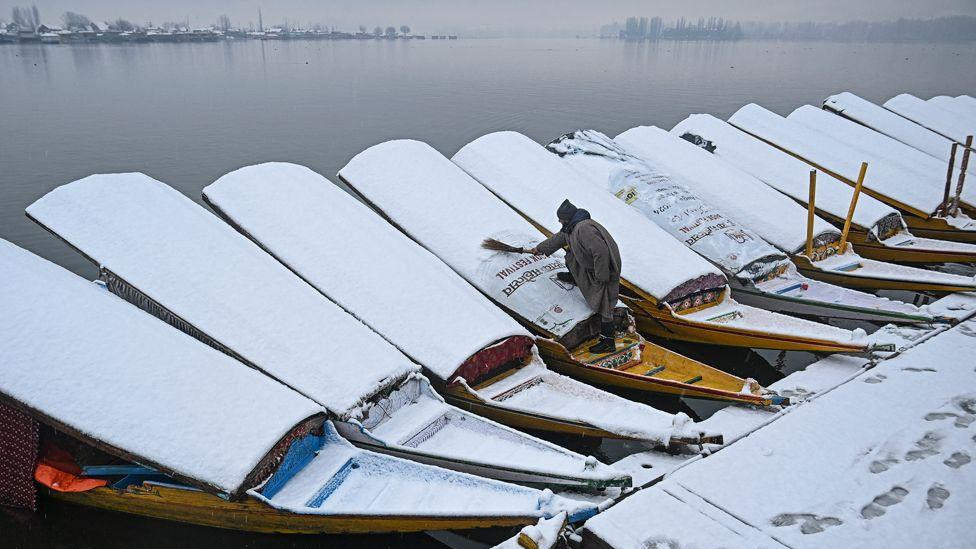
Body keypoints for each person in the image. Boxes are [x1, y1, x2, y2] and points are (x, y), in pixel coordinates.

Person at [531, 199, 621, 354]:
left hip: (605, 270)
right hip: (594, 267)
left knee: (604, 304)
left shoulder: (583, 228)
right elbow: (559, 239)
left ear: (567, 217)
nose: (558, 221)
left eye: (560, 218)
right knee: (571, 256)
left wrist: (601, 276)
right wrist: (540, 249)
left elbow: (601, 252)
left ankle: (608, 342)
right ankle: (575, 276)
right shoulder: (571, 227)